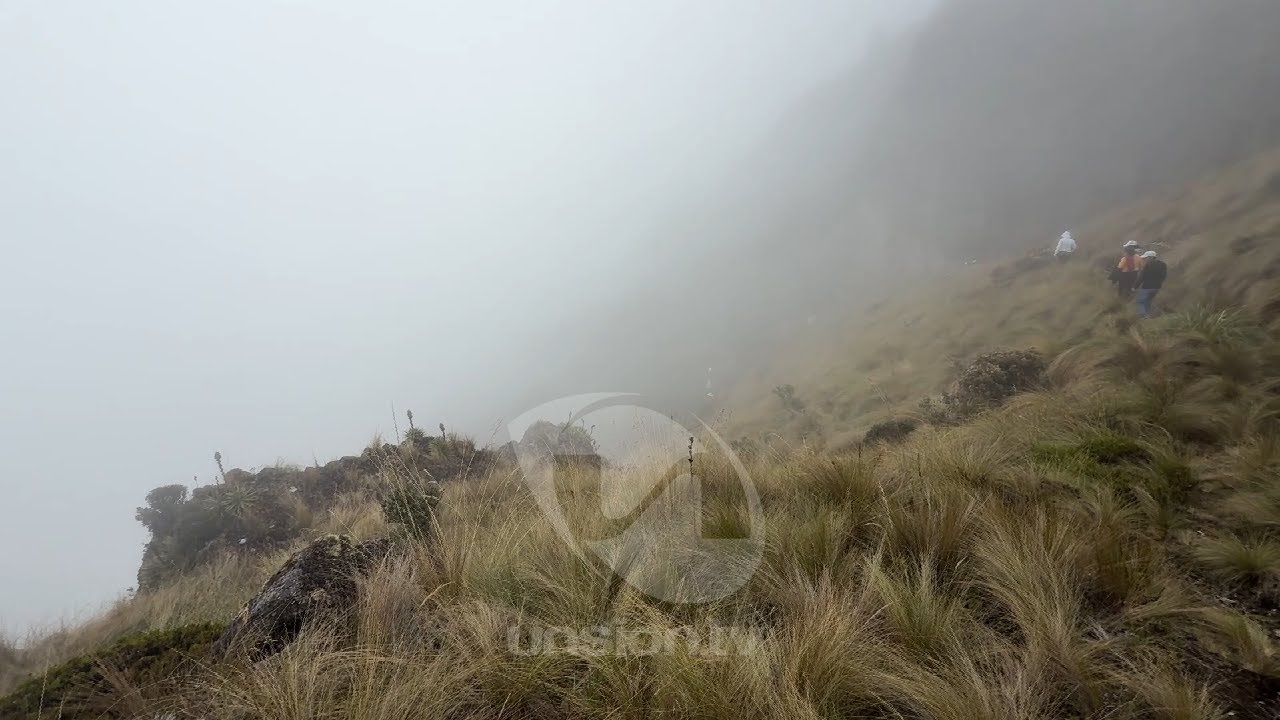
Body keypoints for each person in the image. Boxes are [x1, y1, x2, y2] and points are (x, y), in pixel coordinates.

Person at [1133, 250, 1167, 318]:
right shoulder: (1162, 265)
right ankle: (1147, 315)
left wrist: (1134, 287)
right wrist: (1159, 283)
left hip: (1147, 287)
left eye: (1146, 258)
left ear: (1150, 257)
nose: (1145, 259)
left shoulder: (1148, 265)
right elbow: (1163, 276)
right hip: (1157, 287)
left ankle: (1143, 316)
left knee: (1141, 301)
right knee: (1148, 301)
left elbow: (1141, 277)